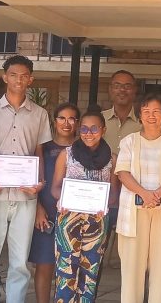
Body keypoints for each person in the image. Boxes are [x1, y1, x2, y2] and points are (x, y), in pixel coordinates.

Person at [0, 55, 52, 303]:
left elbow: (39, 152)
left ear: (31, 79)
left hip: (25, 197)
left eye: (24, 76)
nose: (18, 80)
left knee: (20, 263)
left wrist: (39, 182)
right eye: (13, 75)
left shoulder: (40, 114)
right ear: (4, 77)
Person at [115, 93, 161, 303]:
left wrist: (157, 194)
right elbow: (122, 173)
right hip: (133, 213)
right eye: (146, 112)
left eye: (156, 111)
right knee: (131, 270)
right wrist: (144, 194)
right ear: (139, 115)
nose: (151, 116)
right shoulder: (129, 141)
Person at [51, 110, 119, 302]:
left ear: (103, 130)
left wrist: (105, 202)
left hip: (97, 221)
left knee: (90, 274)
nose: (89, 133)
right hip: (68, 220)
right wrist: (63, 199)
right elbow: (55, 188)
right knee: (65, 273)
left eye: (94, 129)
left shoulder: (112, 159)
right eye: (84, 129)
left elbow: (114, 194)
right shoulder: (67, 155)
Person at [28, 102, 80, 303]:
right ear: (54, 121)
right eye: (61, 118)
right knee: (45, 264)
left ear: (77, 123)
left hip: (74, 215)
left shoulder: (82, 148)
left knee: (69, 267)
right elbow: (33, 179)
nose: (66, 123)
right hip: (46, 214)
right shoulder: (43, 148)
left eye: (72, 119)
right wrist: (37, 208)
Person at [101, 70, 142, 268]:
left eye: (127, 86)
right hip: (102, 193)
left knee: (134, 254)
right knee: (96, 249)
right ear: (110, 89)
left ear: (134, 90)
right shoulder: (98, 121)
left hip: (132, 191)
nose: (122, 90)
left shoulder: (144, 123)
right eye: (117, 85)